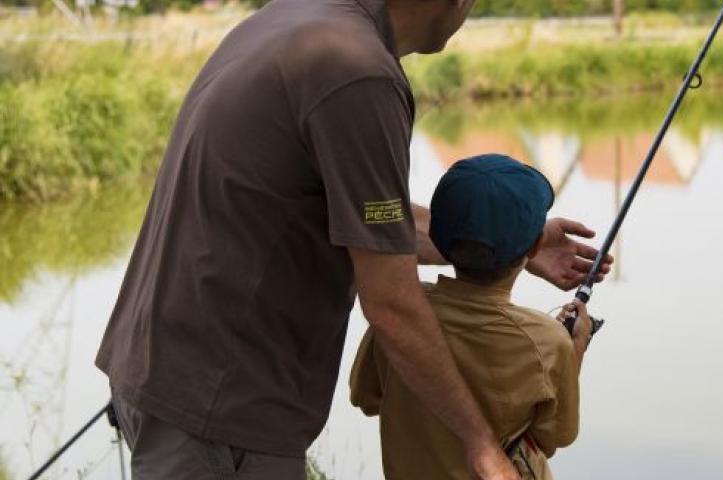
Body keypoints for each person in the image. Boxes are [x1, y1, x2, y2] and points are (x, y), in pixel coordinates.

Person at [93, 0, 611, 477]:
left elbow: (362, 219)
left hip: (166, 367)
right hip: (219, 403)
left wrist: (512, 240)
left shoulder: (300, 17)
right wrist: (480, 444)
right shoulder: (358, 74)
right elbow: (390, 305)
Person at [350, 154, 593, 480]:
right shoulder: (547, 342)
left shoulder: (401, 314)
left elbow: (365, 397)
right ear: (537, 245)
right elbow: (554, 436)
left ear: (435, 236)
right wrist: (573, 352)